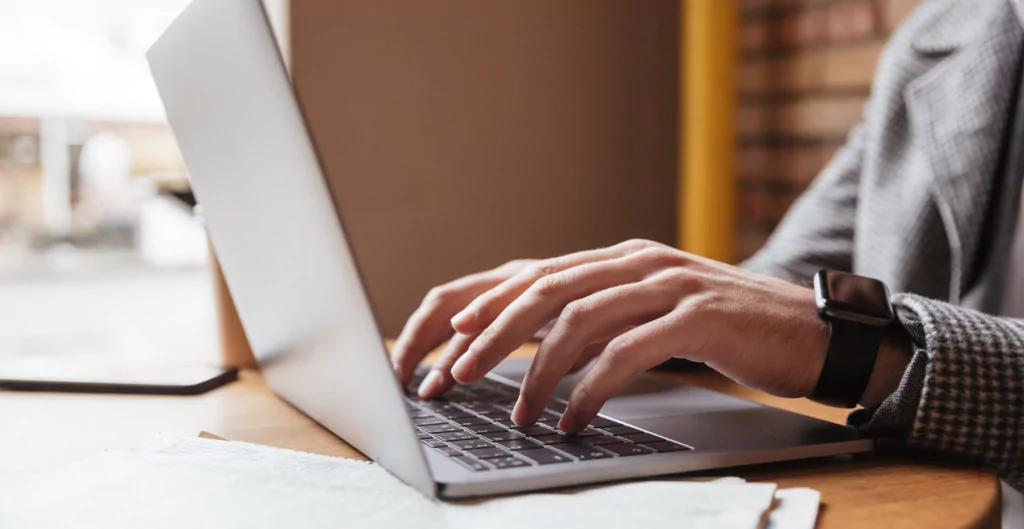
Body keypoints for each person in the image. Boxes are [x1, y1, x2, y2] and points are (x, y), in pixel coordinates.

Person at [390, 0, 1024, 490]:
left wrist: (863, 352)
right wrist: (625, 295)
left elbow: (817, 328)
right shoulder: (948, 31)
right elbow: (786, 283)